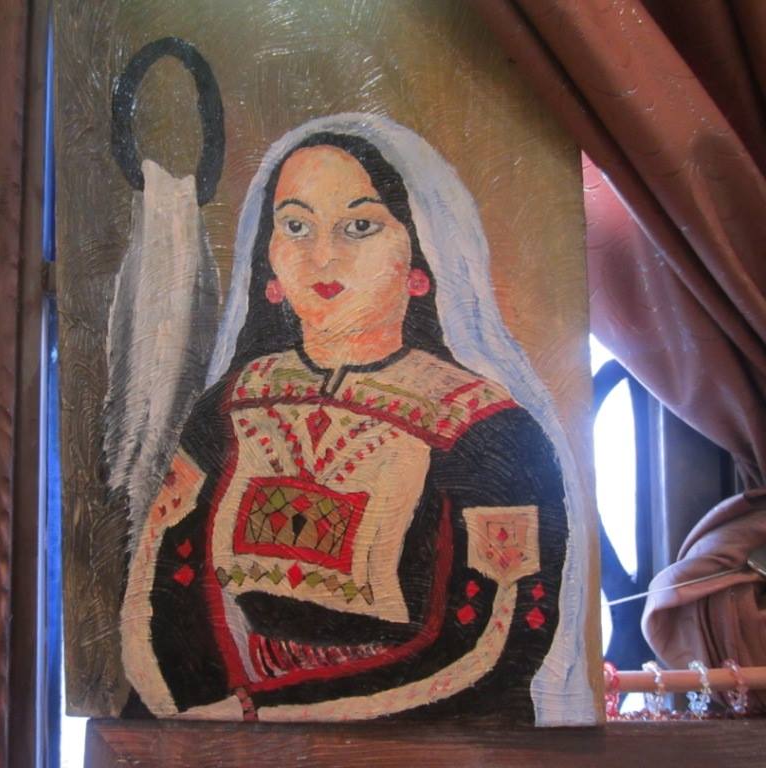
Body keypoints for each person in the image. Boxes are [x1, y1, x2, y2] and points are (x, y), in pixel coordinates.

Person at [120, 115, 591, 723]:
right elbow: (162, 590)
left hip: (417, 735)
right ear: (269, 259)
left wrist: (262, 715)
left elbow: (493, 643)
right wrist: (200, 719)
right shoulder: (227, 409)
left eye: (360, 226)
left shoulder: (491, 433)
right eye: (296, 226)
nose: (322, 256)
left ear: (419, 257)